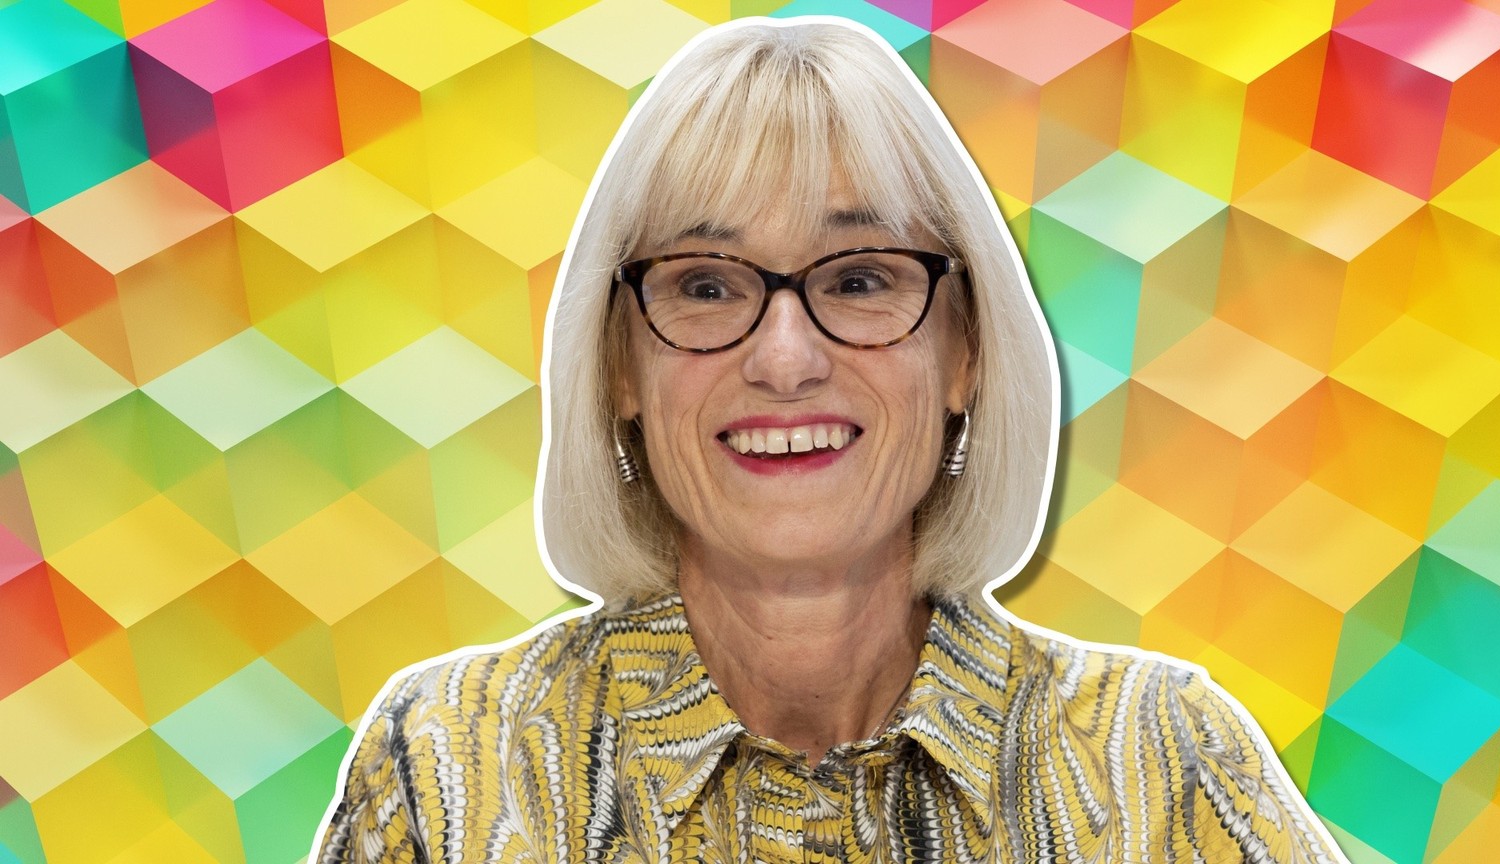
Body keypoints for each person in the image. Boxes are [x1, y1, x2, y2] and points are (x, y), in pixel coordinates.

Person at [314, 17, 1345, 863]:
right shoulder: (448, 763)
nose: (785, 358)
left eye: (858, 279)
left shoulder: (1163, 760)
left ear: (966, 352)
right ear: (619, 365)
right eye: (705, 285)